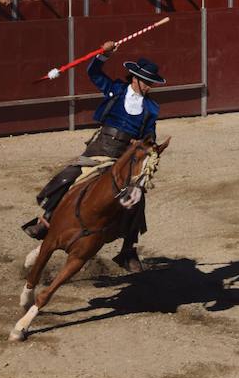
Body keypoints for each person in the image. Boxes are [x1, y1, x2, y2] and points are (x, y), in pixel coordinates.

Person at [22, 42, 166, 273]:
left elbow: (150, 136)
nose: (149, 87)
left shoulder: (151, 108)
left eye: (152, 83)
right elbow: (94, 73)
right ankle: (46, 221)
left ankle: (128, 249)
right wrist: (103, 55)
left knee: (137, 197)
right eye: (147, 82)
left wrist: (143, 144)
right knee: (67, 176)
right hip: (100, 147)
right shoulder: (117, 90)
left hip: (122, 158)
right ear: (135, 79)